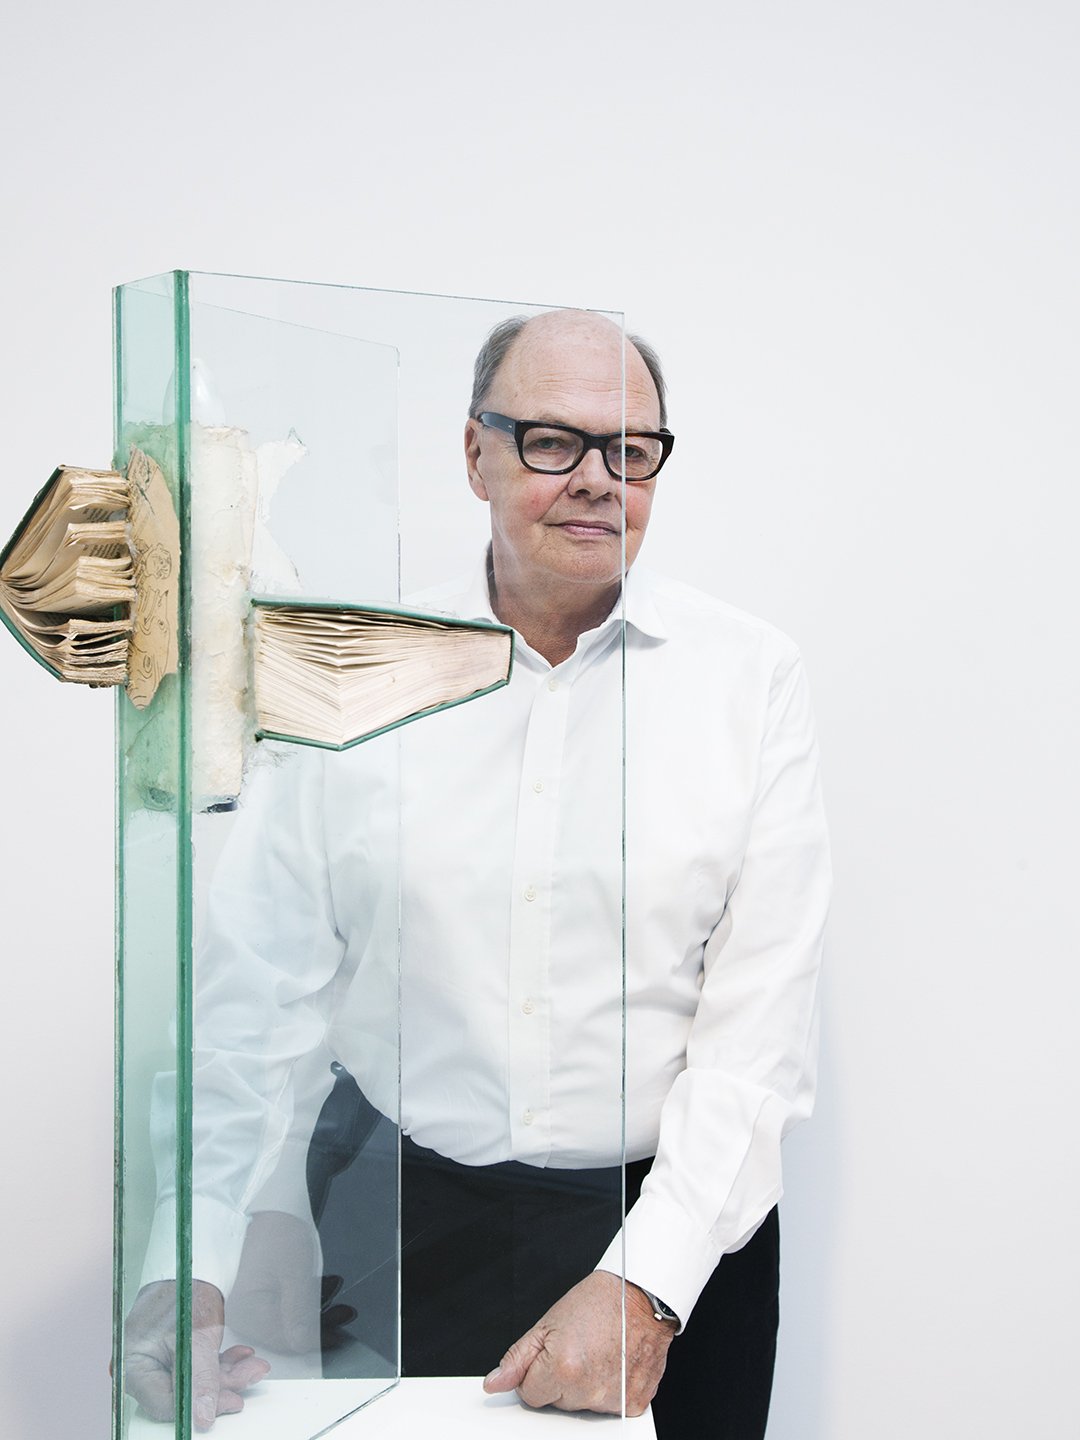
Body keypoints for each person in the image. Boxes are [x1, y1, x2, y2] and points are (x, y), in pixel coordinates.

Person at [125, 309, 831, 1438]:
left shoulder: (749, 680)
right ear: (475, 453)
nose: (600, 480)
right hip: (402, 1213)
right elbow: (253, 998)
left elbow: (760, 1031)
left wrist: (648, 1280)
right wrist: (187, 1259)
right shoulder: (352, 671)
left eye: (632, 450)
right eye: (554, 441)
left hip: (677, 1227)